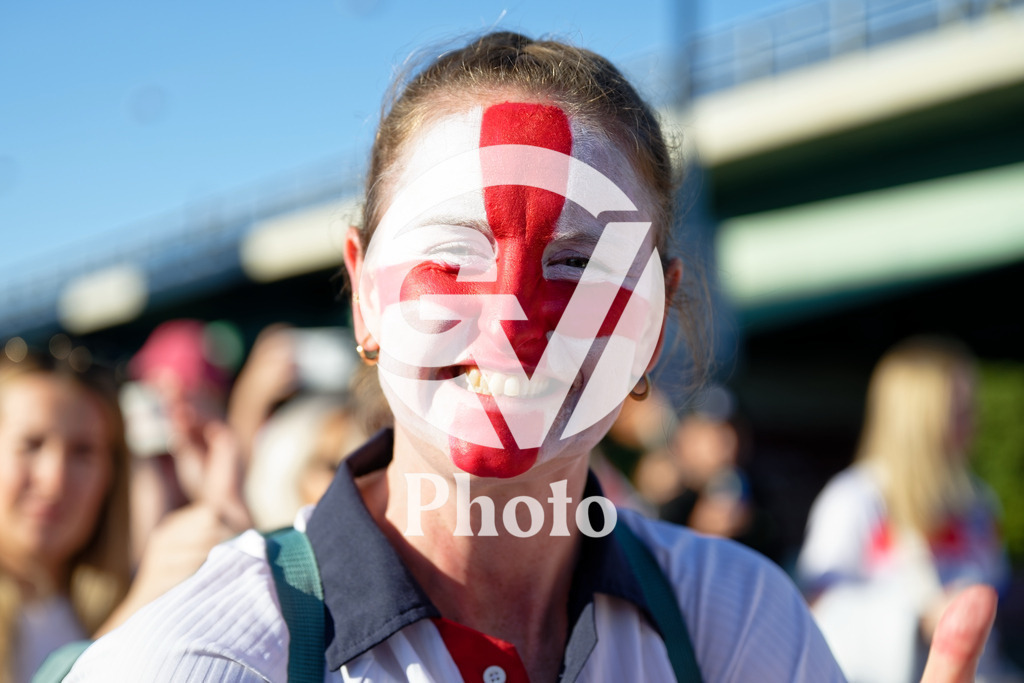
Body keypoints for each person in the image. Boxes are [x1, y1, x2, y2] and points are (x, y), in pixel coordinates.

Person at [63, 32, 995, 682]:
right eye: (454, 257)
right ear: (365, 292)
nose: (513, 323)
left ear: (657, 317)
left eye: (580, 266)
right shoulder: (209, 661)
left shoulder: (734, 622)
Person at [798, 337, 1018, 683]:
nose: (973, 424)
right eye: (959, 411)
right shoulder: (854, 499)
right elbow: (817, 608)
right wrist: (918, 618)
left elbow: (1001, 595)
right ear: (919, 419)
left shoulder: (976, 501)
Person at [0, 352, 131, 683]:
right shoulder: (135, 610)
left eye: (83, 452)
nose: (54, 479)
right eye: (31, 444)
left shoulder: (126, 595)